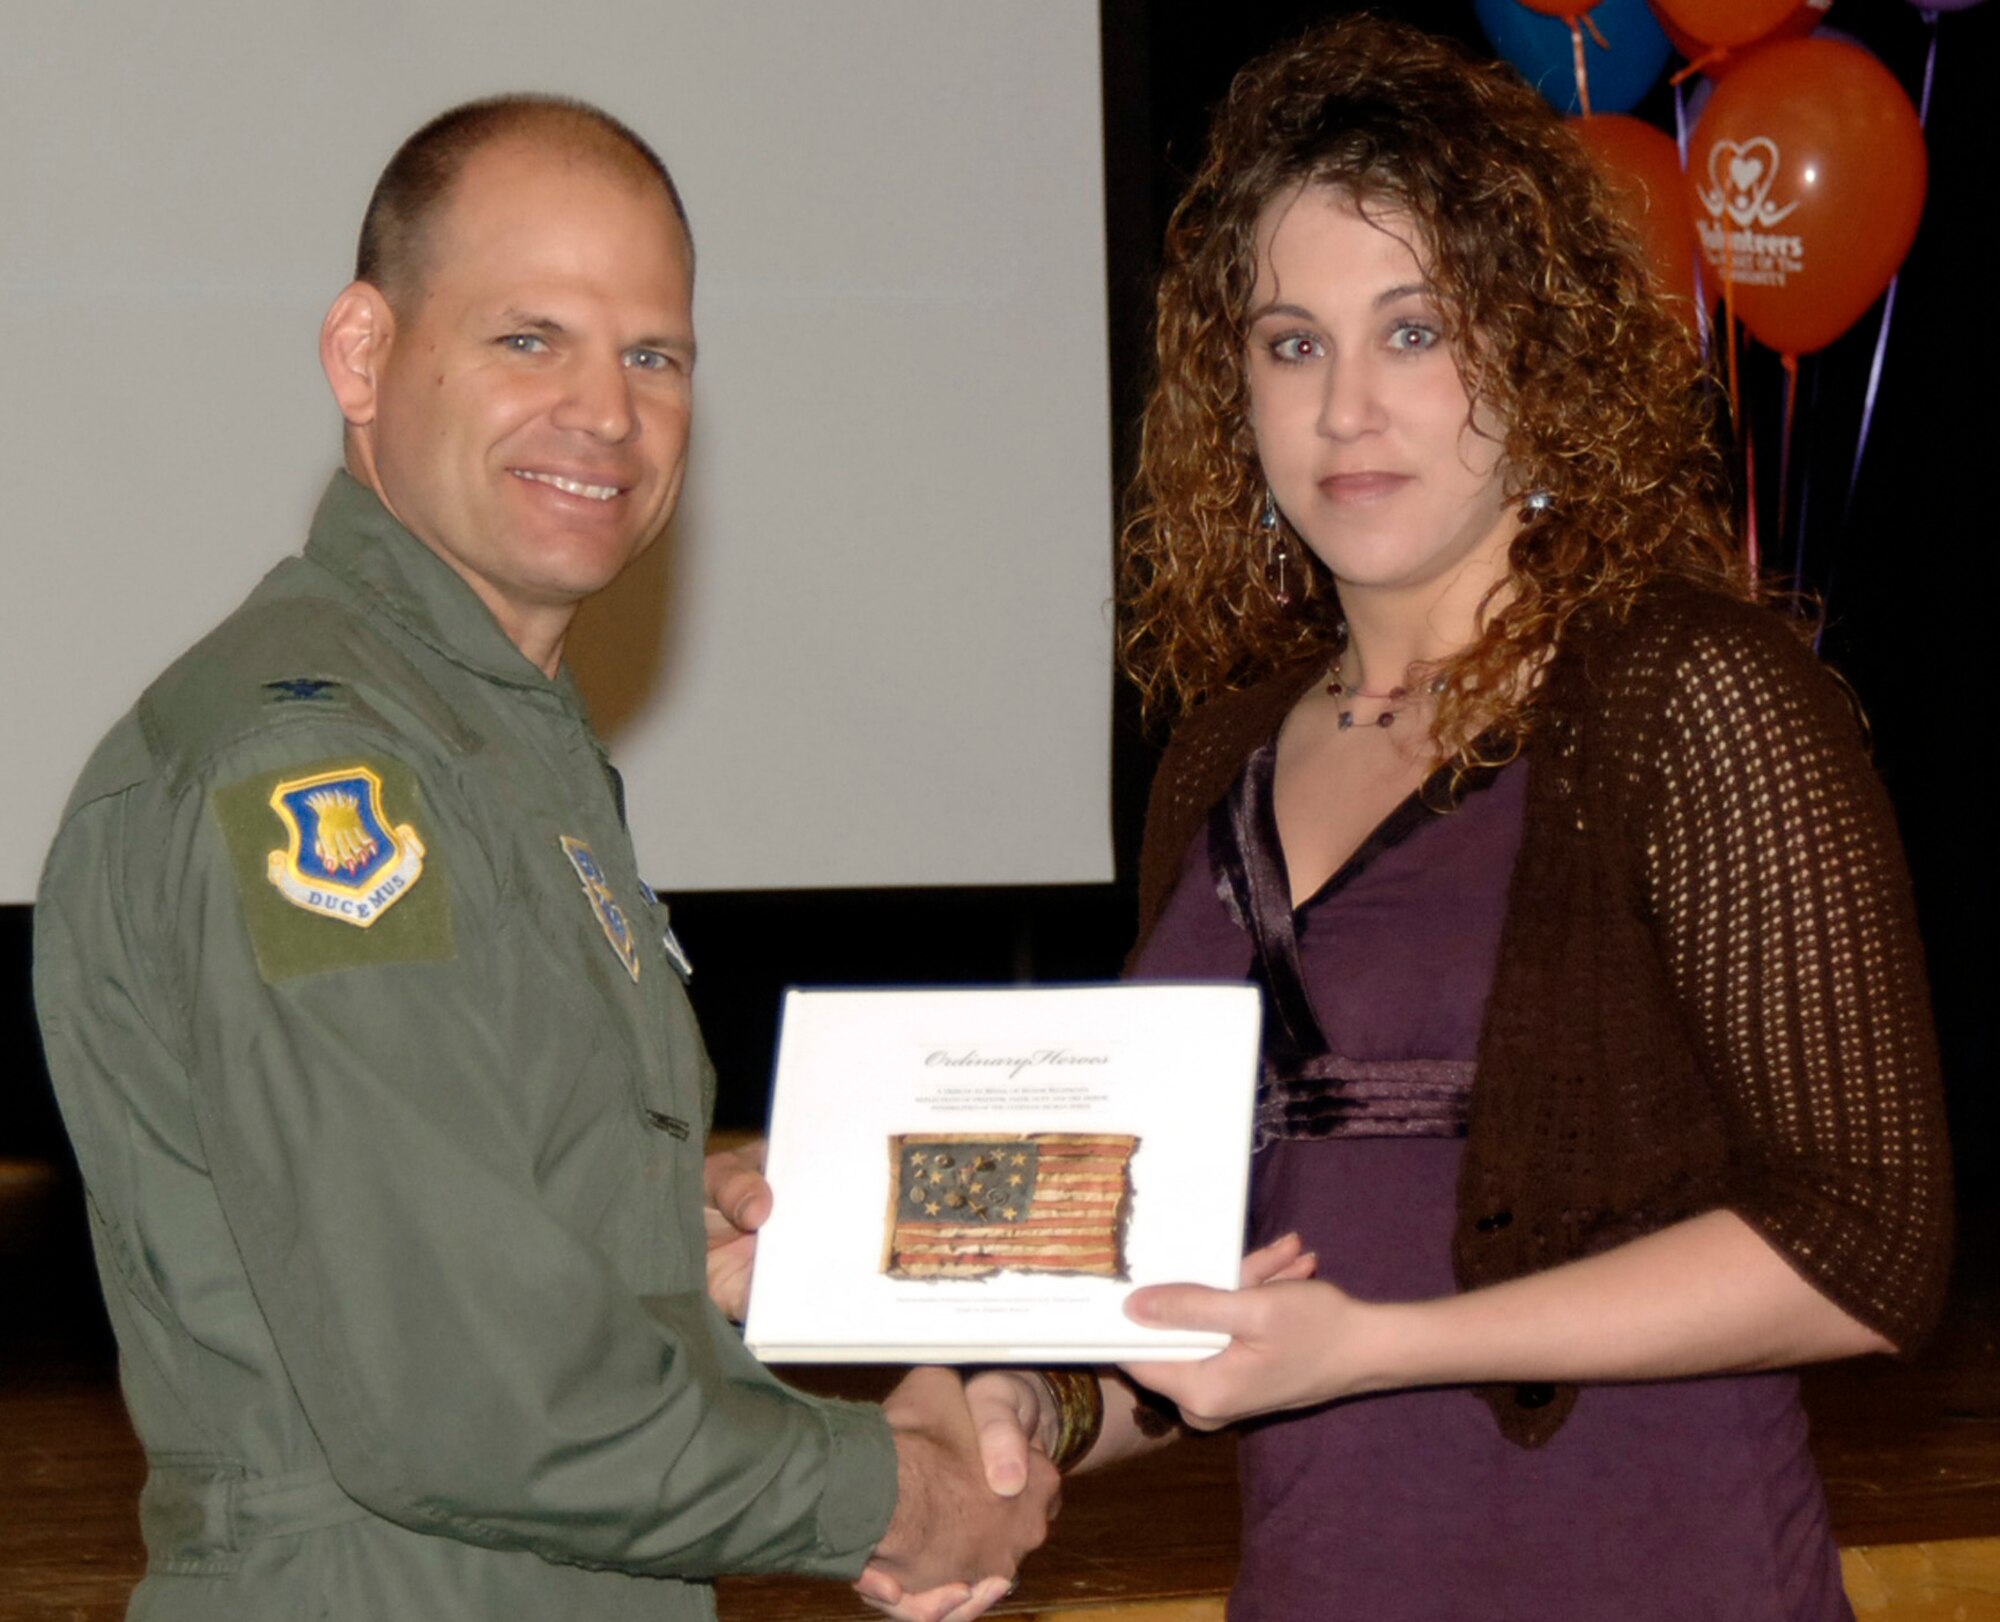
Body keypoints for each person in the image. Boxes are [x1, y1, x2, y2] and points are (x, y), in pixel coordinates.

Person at [968, 17, 1952, 1620]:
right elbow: (1222, 1305)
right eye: (1293, 343)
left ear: (1536, 354)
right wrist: (1036, 1406)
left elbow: (1870, 1240)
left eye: (1412, 331)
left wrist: (1398, 1343)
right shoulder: (1216, 754)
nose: (1348, 406)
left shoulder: (1693, 692)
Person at [33, 95, 1053, 1622]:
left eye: (655, 356)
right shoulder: (321, 771)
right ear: (364, 356)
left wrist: (653, 1207)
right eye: (531, 339)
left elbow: (421, 1201)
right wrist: (890, 1490)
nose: (605, 410)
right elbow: (467, 1392)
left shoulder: (490, 742)